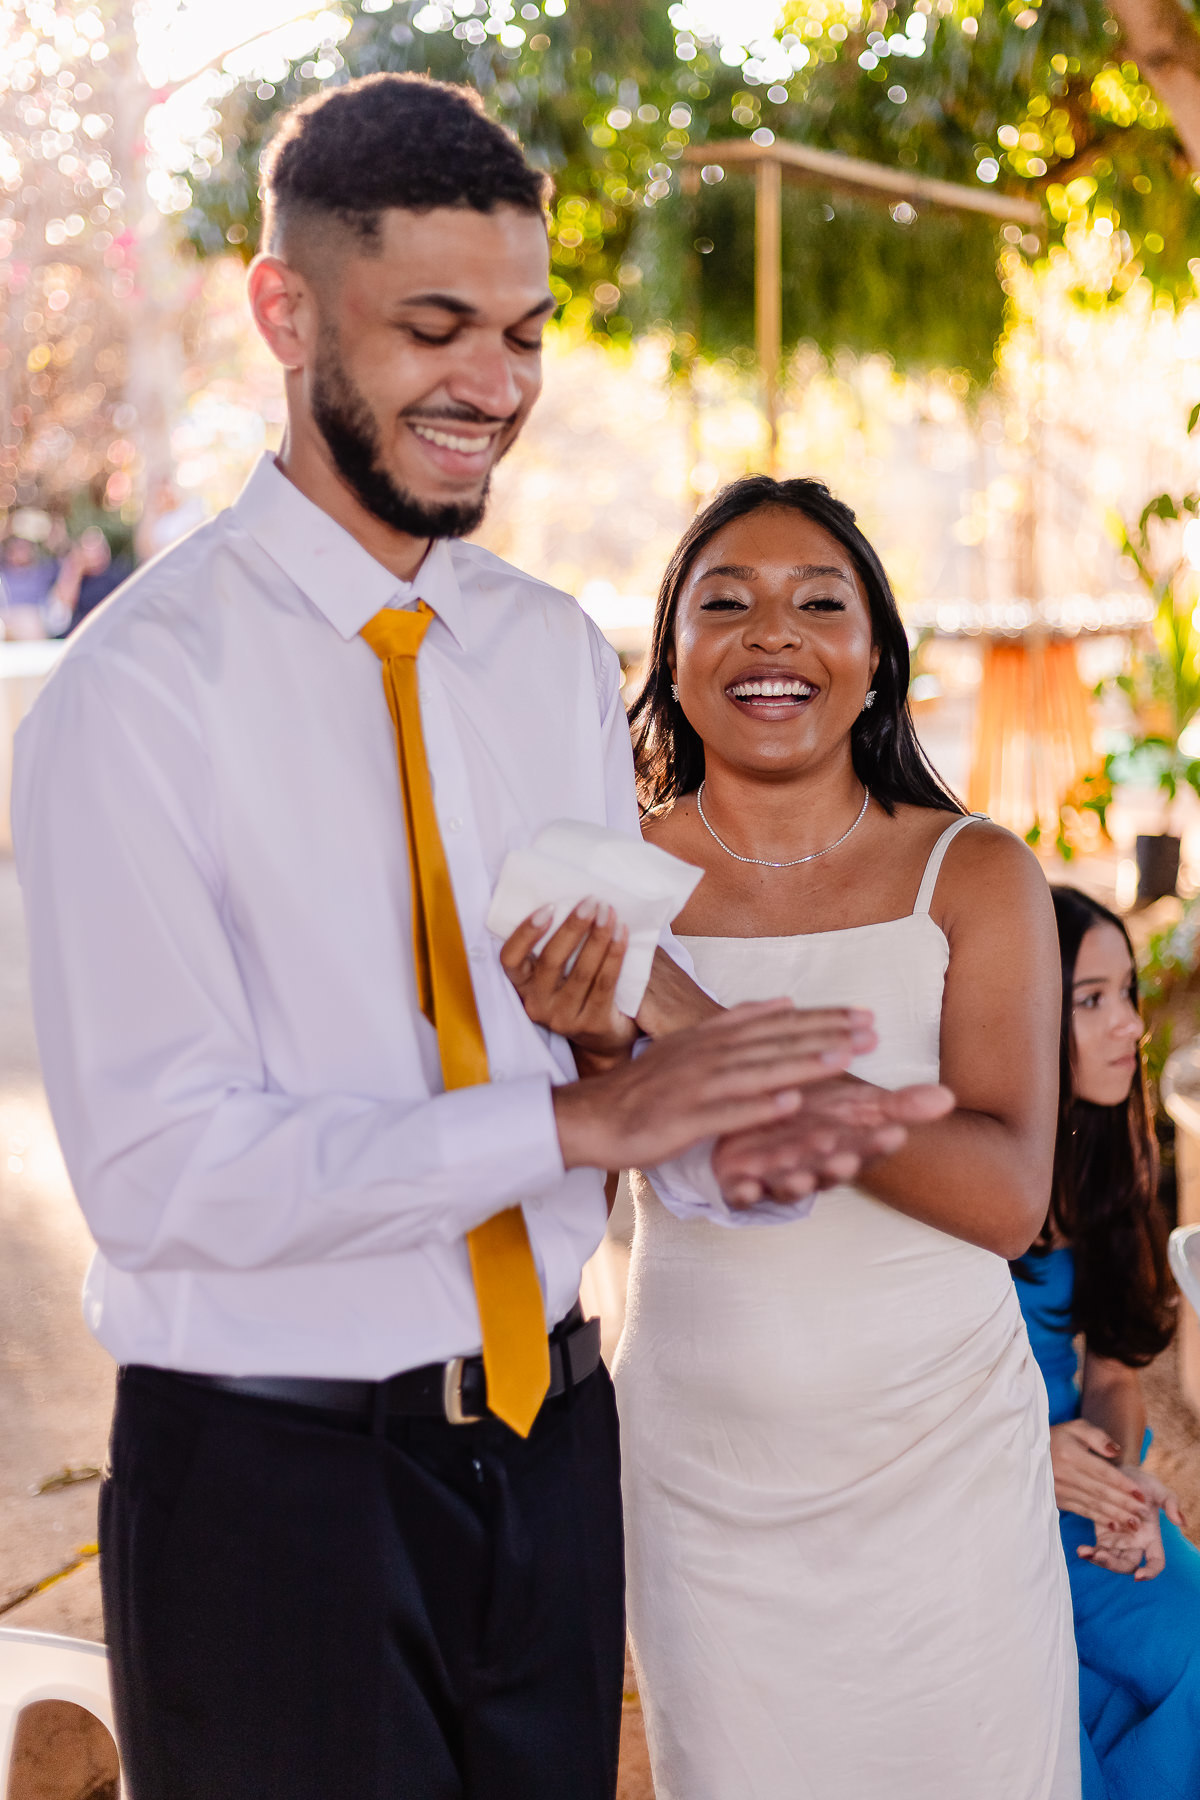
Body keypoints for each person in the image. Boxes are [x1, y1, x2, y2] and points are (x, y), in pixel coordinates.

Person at [11, 78, 941, 1800]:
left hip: (552, 1447)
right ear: (284, 310)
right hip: (270, 1484)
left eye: (522, 331)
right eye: (437, 326)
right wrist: (576, 1120)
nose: (496, 386)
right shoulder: (136, 696)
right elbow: (162, 1173)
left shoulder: (542, 653)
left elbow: (586, 1052)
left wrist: (650, 1079)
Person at [505, 475, 1081, 1798]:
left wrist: (704, 1029)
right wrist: (604, 1055)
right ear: (674, 658)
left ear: (875, 659)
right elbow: (562, 1217)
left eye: (820, 603)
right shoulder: (603, 884)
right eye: (728, 605)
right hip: (705, 1483)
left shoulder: (974, 872)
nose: (774, 635)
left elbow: (1005, 1199)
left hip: (943, 1473)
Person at [1014, 886, 1200, 1800]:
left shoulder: (1100, 1150)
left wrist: (1123, 1486)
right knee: (1042, 1709)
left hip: (1083, 1479)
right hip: (973, 1482)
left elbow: (1117, 1373)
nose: (1130, 1025)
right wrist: (1021, 1454)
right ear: (1025, 1012)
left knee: (1193, 1626)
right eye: (1092, 1000)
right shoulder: (961, 1166)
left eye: (1126, 994)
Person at [52, 526, 133, 632]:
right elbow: (63, 607)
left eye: (98, 549)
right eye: (90, 549)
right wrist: (75, 570)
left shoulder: (117, 577)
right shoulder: (77, 578)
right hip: (79, 630)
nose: (95, 554)